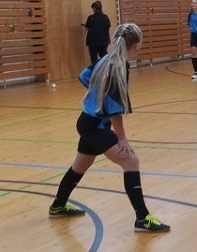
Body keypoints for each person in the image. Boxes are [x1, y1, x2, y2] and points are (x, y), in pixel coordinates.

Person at [48, 23, 170, 233]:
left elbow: (84, 76)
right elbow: (114, 109)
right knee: (131, 161)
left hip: (89, 122)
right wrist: (122, 139)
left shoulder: (106, 59)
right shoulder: (119, 66)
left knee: (79, 167)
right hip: (95, 126)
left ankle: (58, 206)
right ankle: (142, 219)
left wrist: (97, 92)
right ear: (137, 45)